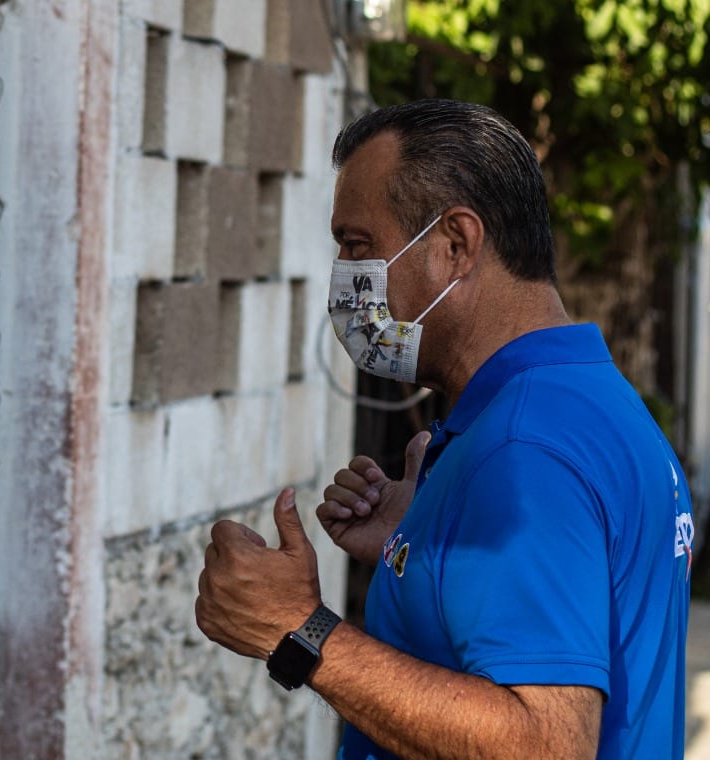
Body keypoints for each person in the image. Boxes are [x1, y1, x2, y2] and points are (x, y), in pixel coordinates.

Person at [195, 99, 691, 758]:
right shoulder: (589, 401)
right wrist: (424, 557)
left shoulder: (525, 450)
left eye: (357, 245)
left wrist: (298, 628)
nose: (346, 281)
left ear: (455, 245)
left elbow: (544, 744)